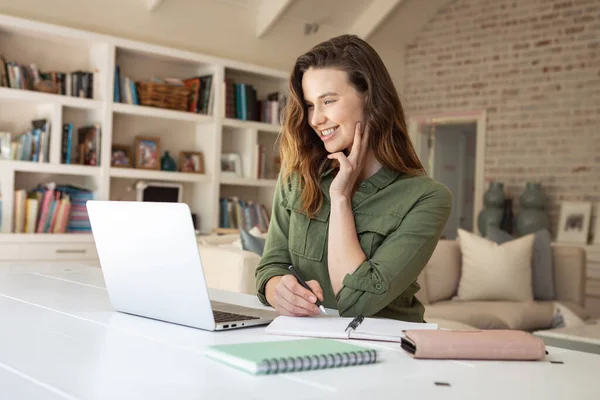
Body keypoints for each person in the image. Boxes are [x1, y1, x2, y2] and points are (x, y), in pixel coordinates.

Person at [254, 34, 452, 322]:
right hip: (307, 341)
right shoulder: (298, 176)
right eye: (310, 105)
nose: (315, 119)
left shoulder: (427, 198)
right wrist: (278, 291)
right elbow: (270, 266)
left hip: (386, 353)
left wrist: (341, 197)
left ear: (369, 98)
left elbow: (356, 303)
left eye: (329, 101)